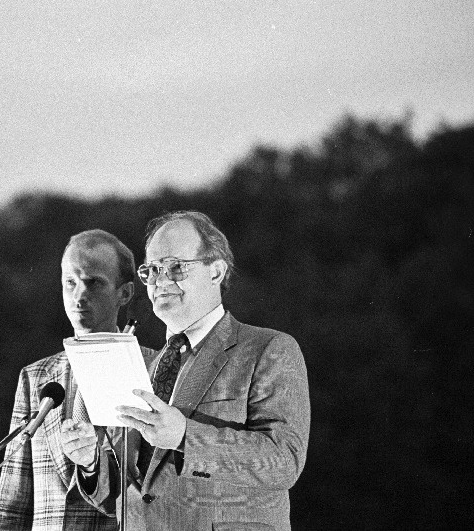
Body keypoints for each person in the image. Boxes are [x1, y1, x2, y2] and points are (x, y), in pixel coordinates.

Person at [62, 211, 310, 531]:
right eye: (151, 270)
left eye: (175, 267)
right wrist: (91, 462)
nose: (161, 281)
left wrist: (184, 436)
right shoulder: (146, 367)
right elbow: (132, 490)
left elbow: (282, 462)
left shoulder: (268, 349)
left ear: (216, 271)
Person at [0, 229, 154, 531]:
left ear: (125, 293)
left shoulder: (153, 368)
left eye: (93, 283)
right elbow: (13, 501)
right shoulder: (35, 376)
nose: (79, 296)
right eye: (70, 283)